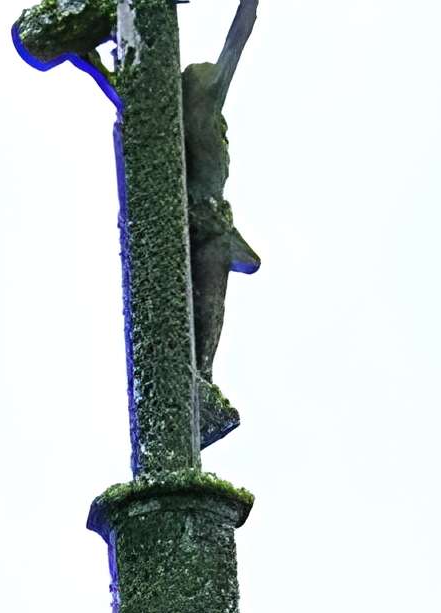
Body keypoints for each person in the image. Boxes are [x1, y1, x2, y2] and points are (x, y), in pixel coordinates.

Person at [183, 0, 261, 446]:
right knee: (210, 302)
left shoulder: (186, 120)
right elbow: (238, 37)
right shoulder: (206, 107)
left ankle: (203, 376)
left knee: (216, 292)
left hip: (213, 219)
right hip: (208, 222)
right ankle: (203, 378)